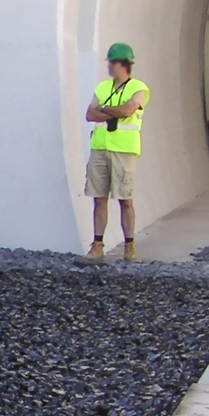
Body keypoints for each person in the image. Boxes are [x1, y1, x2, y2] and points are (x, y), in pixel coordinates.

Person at [82, 43, 150, 263]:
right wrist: (112, 112)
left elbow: (128, 110)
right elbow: (90, 114)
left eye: (111, 62)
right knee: (99, 198)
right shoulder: (103, 87)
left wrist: (105, 110)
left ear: (121, 64)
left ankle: (130, 247)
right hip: (100, 148)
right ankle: (97, 245)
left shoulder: (139, 88)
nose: (108, 67)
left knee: (125, 199)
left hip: (123, 150)